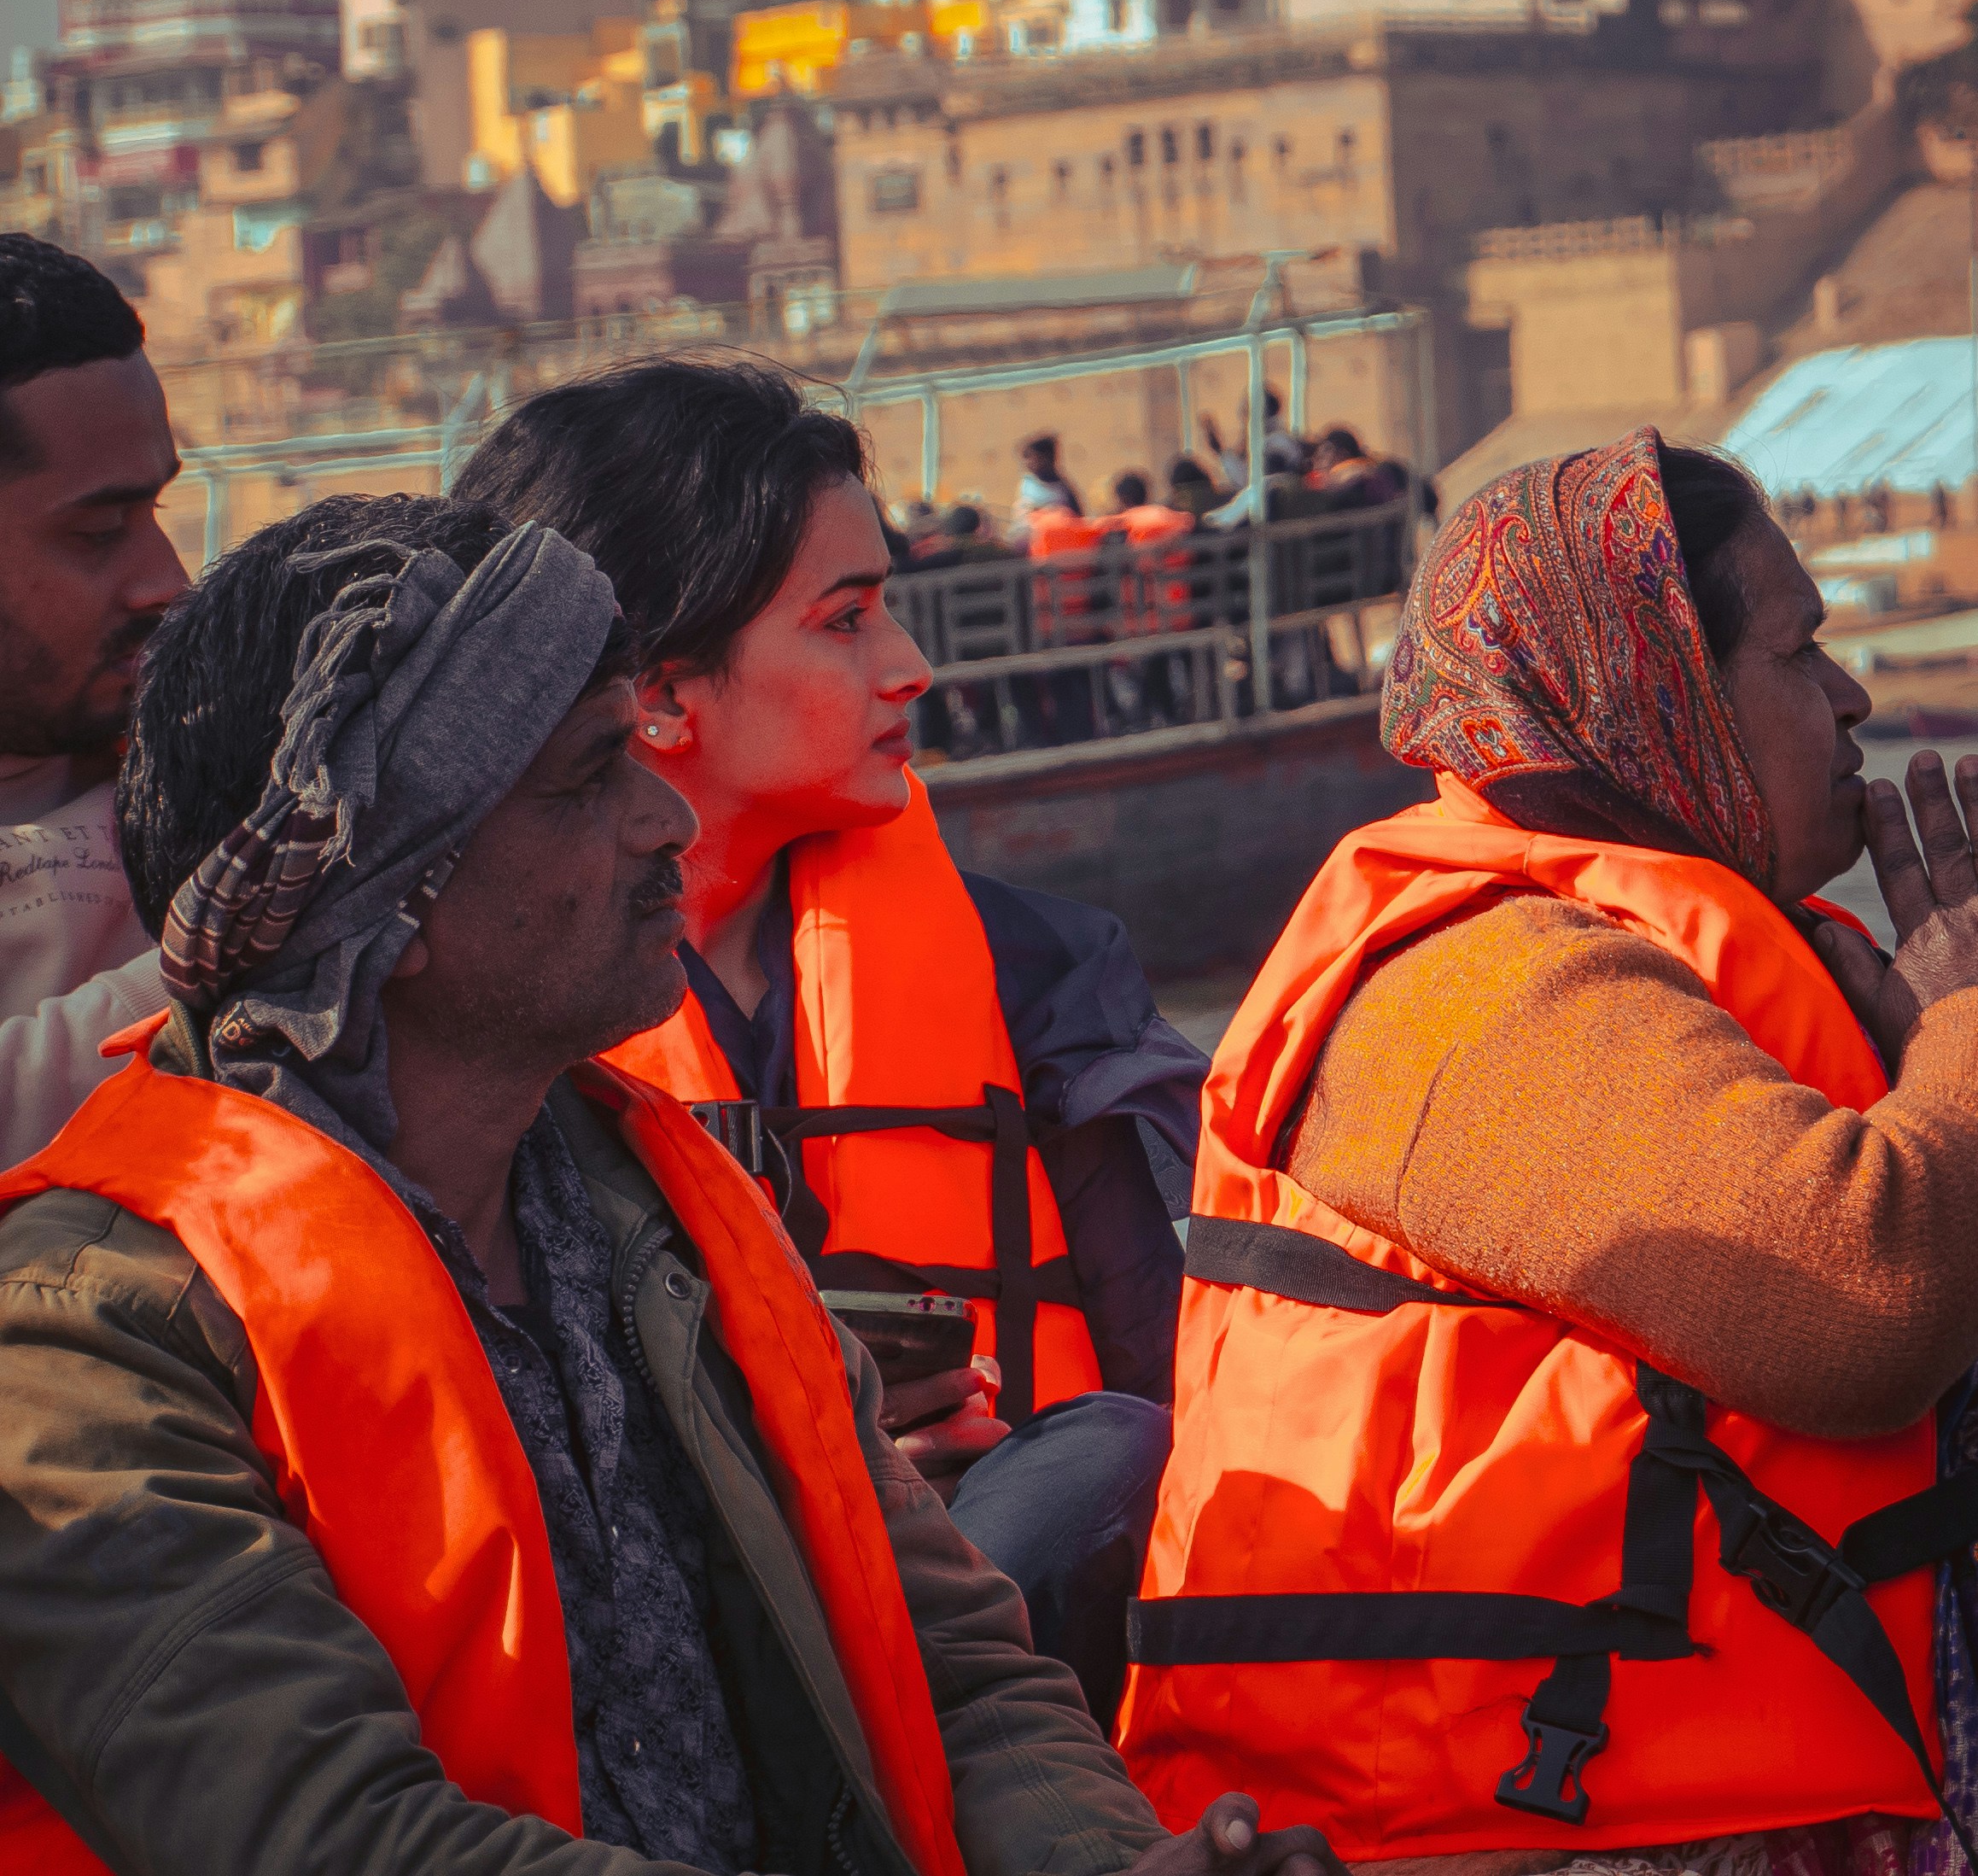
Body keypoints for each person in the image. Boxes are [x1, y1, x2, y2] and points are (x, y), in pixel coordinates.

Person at [0, 488, 1336, 1876]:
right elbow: (330, 1836)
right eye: (585, 780)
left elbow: (952, 1675)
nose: (661, 819)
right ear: (378, 912)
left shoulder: (670, 1215)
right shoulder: (89, 1335)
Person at [1120, 429, 1978, 1864]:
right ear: (1656, 691)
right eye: (1797, 652)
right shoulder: (1465, 989)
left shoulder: (1731, 954)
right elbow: (1858, 1303)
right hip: (1519, 1824)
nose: (1850, 698)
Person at [457, 359, 1210, 1725]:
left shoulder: (1044, 974)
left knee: (1112, 1447)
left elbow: (1198, 1378)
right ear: (663, 698)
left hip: (1021, 1647)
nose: (910, 666)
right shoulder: (463, 1026)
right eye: (847, 620)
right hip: (639, 1666)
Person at [0, 234, 184, 1166]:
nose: (168, 579)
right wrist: (220, 973)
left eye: (157, 513)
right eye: (100, 530)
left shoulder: (219, 752)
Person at [1012, 432, 1082, 535]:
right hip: (1030, 538)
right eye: (1025, 458)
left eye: (1030, 457)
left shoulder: (1063, 490)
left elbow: (1077, 519)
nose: (1027, 463)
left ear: (1048, 458)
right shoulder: (1026, 484)